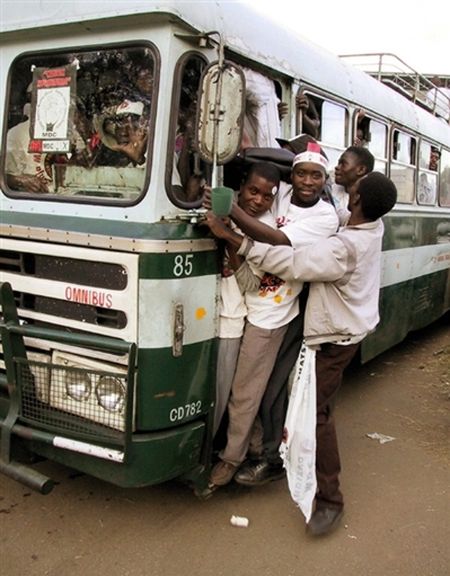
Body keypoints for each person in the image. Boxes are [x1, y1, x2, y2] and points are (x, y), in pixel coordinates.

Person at [236, 171, 397, 536]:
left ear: (355, 201)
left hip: (334, 340)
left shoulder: (345, 247)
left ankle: (330, 500)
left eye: (350, 192)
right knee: (290, 397)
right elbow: (332, 220)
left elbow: (293, 263)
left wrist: (239, 240)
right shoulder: (369, 225)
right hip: (346, 329)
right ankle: (279, 458)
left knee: (317, 416)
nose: (342, 194)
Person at [206, 143, 339, 489]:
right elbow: (262, 181)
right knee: (245, 388)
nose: (307, 181)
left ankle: (230, 459)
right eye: (300, 173)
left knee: (245, 392)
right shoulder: (277, 198)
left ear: (326, 180)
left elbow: (278, 240)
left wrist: (229, 223)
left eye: (316, 175)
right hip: (253, 305)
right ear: (290, 178)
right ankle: (248, 446)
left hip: (271, 314)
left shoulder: (323, 216)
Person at [209, 163, 281, 436]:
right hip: (203, 314)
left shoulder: (264, 231)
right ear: (240, 186)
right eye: (253, 191)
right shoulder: (219, 209)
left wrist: (229, 238)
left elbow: (252, 285)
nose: (258, 200)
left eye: (266, 196)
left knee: (219, 394)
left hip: (230, 320)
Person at [331, 146, 375, 224]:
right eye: (338, 163)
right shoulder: (330, 189)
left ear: (361, 170)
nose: (337, 167)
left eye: (343, 164)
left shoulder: (368, 203)